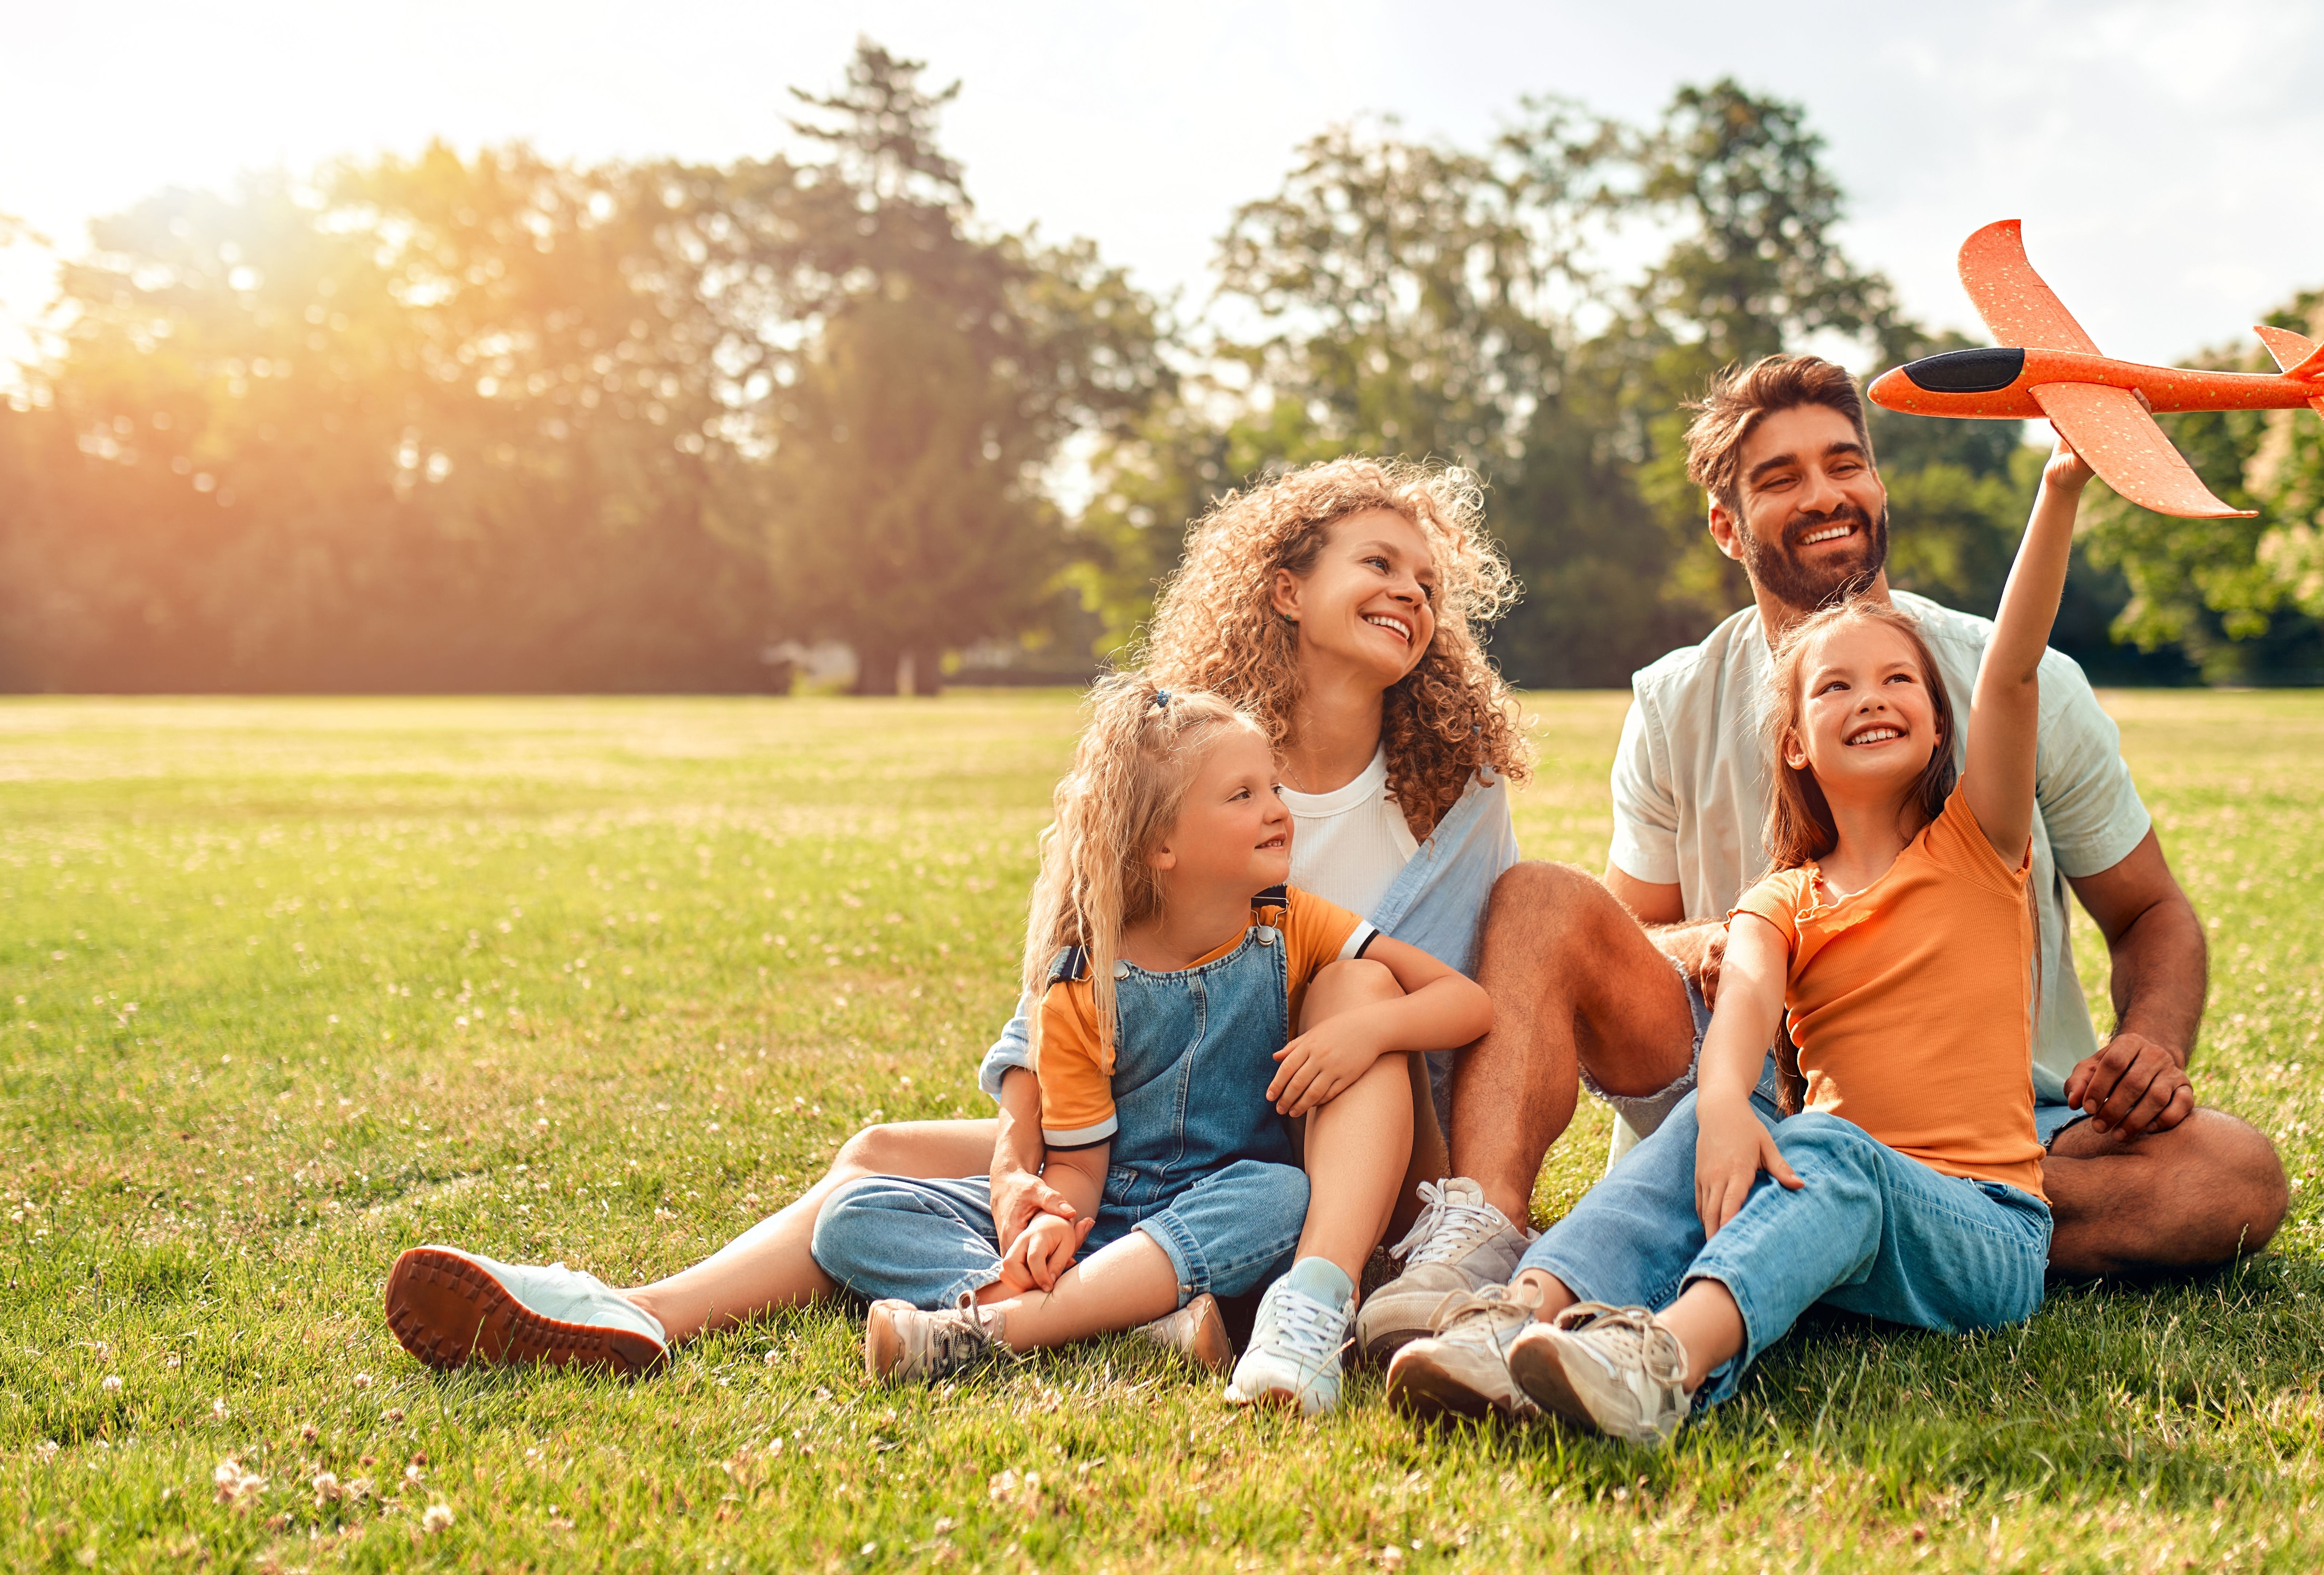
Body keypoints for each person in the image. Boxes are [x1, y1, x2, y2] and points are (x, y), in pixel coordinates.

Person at [379, 458, 1534, 1375]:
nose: (1412, 594)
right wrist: (1022, 1171)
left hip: (1318, 1148)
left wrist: (1363, 1051)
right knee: (874, 1158)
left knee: (1349, 990)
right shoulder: (1180, 765)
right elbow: (1064, 987)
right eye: (1379, 563)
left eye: (1430, 584)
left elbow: (1441, 1002)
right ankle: (645, 1312)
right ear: (1286, 586)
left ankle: (1065, 1308)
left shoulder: (1451, 791)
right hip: (1134, 1135)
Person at [1355, 356, 2286, 1362]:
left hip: (2004, 1117)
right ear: (1727, 525)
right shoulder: (1679, 704)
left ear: (1880, 489)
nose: (1826, 493)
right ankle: (1490, 1252)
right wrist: (1723, 943)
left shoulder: (2007, 693)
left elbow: (2151, 910)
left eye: (1847, 463)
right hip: (1741, 1075)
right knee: (1539, 898)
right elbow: (1628, 940)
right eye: (1780, 476)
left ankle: (1835, 1221)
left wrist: (2151, 1041)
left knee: (2232, 1177)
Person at [1387, 438, 2089, 1438]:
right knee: (1716, 1131)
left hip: (1983, 1232)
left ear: (1941, 724)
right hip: (1836, 1209)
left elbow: (2013, 670)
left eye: (1899, 680)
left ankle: (1661, 1359)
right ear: (1796, 740)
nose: (1873, 696)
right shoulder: (1782, 898)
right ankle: (1515, 1320)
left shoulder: (1980, 847)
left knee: (1825, 1146)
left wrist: (2058, 490)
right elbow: (1745, 1009)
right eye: (1836, 687)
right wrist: (1720, 1103)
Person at [826, 678, 1488, 1411]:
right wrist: (1054, 1219)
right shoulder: (1085, 981)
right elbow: (1079, 1163)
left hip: (1227, 1207)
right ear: (1160, 844)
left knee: (1284, 1192)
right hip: (1110, 1216)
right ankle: (1099, 1317)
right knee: (855, 1213)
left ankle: (999, 1328)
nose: (1276, 808)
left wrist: (1370, 1028)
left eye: (1273, 786)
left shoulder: (1292, 922)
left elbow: (1467, 1002)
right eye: (1242, 795)